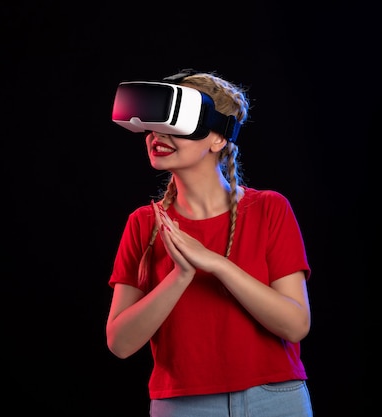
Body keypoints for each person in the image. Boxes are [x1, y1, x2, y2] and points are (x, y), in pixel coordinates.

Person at [105, 69, 313, 416]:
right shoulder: (143, 224)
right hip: (182, 404)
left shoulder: (268, 209)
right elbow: (120, 343)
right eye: (155, 123)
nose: (158, 134)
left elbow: (295, 325)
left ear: (217, 138)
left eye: (177, 122)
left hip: (275, 398)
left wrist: (216, 263)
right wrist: (180, 275)